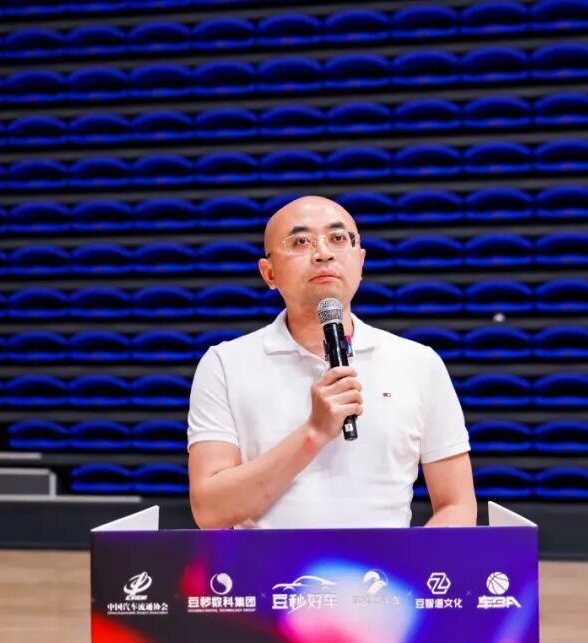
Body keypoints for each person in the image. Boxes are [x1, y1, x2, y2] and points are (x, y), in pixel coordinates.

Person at [187, 195, 476, 529]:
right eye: (301, 242)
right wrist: (315, 431)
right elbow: (210, 511)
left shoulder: (419, 363)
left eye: (338, 238)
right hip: (265, 565)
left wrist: (411, 563)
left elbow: (456, 504)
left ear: (360, 260)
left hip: (386, 564)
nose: (323, 253)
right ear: (269, 273)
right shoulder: (225, 364)